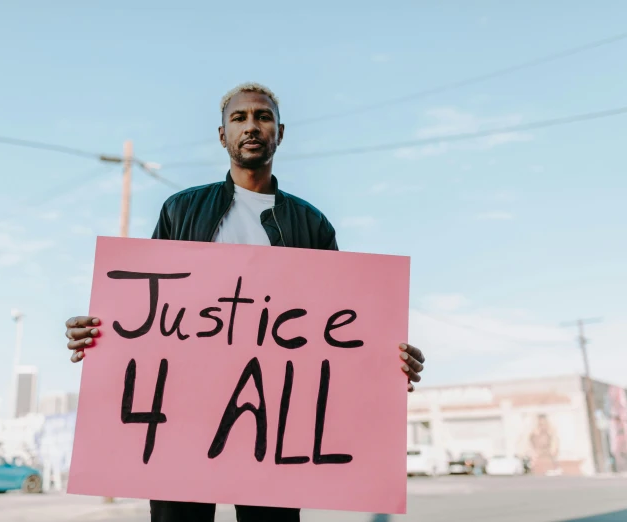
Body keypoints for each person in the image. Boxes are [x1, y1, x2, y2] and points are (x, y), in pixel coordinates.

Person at [64, 82, 427, 522]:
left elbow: (339, 330)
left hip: (271, 433)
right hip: (184, 422)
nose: (251, 126)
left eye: (263, 116)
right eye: (239, 118)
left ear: (280, 132)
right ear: (223, 136)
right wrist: (102, 334)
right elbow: (147, 312)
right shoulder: (180, 211)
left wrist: (386, 361)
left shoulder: (311, 225)